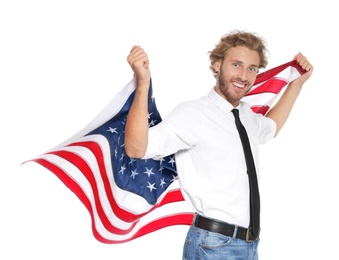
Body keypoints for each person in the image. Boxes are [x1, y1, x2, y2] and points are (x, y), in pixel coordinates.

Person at [124, 30, 313, 259]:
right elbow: (137, 148)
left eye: (252, 68)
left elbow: (271, 127)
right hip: (214, 246)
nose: (243, 75)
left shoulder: (245, 115)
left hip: (249, 245)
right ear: (217, 64)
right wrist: (143, 82)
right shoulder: (194, 114)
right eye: (236, 65)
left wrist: (297, 84)